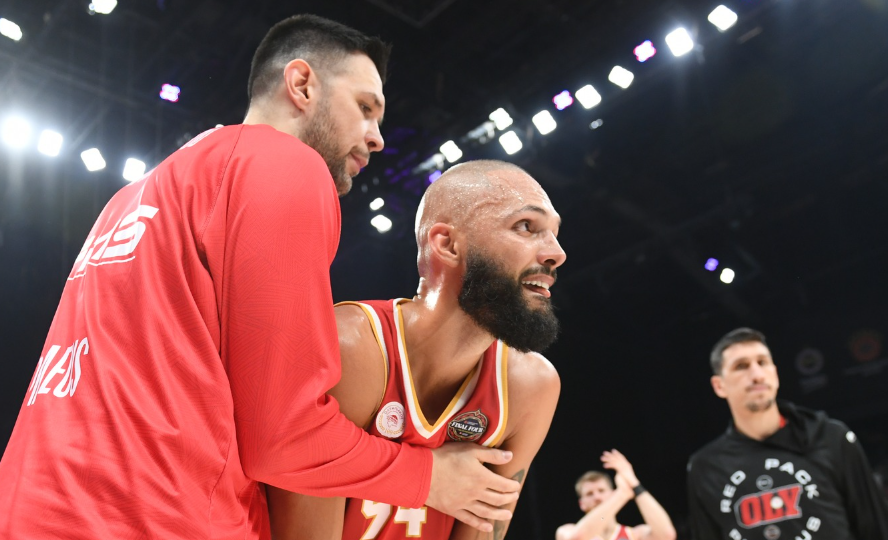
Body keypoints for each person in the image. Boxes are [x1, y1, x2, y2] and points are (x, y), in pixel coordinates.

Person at [0, 15, 519, 539]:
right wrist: (430, 478)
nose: (377, 138)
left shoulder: (134, 195)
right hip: (148, 520)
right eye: (365, 108)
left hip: (32, 504)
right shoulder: (284, 164)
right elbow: (283, 437)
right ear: (302, 84)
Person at [266, 159, 564, 540]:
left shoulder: (531, 387)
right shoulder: (352, 349)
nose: (557, 253)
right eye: (526, 226)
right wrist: (427, 477)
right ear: (447, 244)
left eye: (555, 233)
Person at [687, 327, 888, 540]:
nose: (757, 375)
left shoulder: (831, 438)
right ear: (719, 386)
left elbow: (879, 530)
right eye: (741, 366)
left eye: (762, 362)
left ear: (775, 373)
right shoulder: (705, 467)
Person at [555, 450, 676, 540]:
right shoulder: (566, 531)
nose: (597, 497)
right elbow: (577, 538)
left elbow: (666, 535)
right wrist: (622, 494)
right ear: (582, 504)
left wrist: (633, 482)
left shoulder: (635, 534)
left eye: (601, 490)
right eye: (589, 494)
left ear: (612, 494)